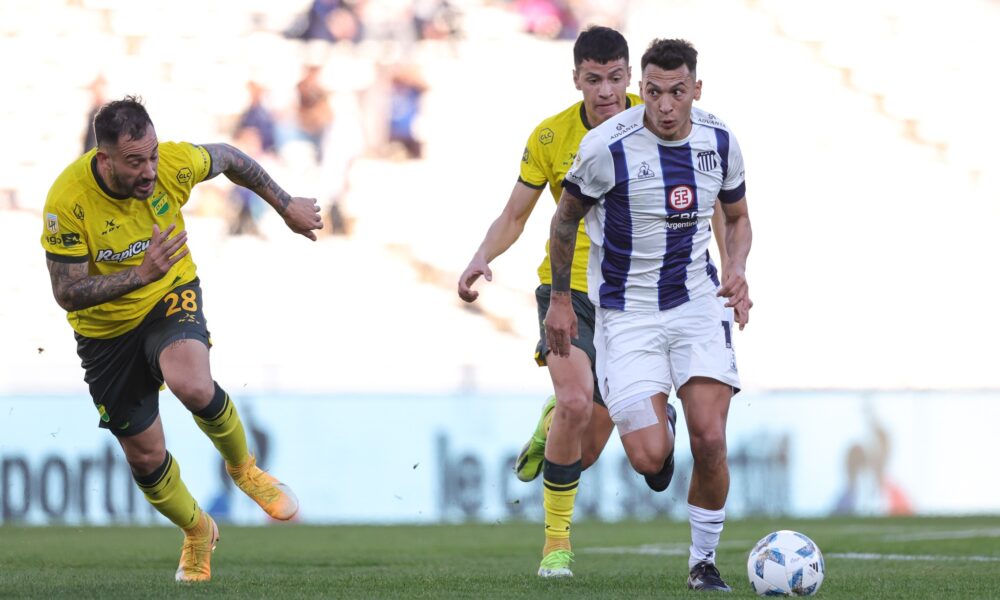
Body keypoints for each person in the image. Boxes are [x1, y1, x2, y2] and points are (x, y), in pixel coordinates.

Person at [40, 96, 323, 583]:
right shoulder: (67, 201)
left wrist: (285, 206)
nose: (149, 170)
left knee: (191, 383)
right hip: (105, 334)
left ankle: (245, 470)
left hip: (168, 294)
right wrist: (139, 272)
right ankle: (197, 530)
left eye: (152, 155)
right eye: (135, 162)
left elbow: (230, 158)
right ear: (104, 159)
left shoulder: (171, 165)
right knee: (145, 457)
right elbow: (67, 293)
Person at [545, 38, 752, 592]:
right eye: (654, 92)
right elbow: (564, 221)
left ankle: (703, 563)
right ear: (642, 88)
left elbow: (736, 217)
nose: (664, 105)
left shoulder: (719, 140)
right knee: (650, 460)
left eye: (677, 92)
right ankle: (663, 422)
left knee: (711, 439)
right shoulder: (605, 147)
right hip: (626, 314)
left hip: (696, 304)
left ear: (696, 90)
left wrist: (737, 269)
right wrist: (561, 300)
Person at [458, 26, 650, 578]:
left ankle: (550, 426)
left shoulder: (654, 124)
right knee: (575, 401)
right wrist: (481, 255)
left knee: (585, 451)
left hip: (633, 297)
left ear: (629, 77)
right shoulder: (550, 137)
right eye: (594, 79)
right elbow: (515, 214)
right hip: (567, 292)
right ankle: (556, 545)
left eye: (615, 78)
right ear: (576, 80)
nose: (606, 90)